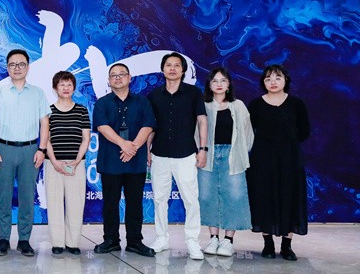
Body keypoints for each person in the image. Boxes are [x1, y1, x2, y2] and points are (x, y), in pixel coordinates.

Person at [246, 64, 310, 261]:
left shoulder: (296, 103)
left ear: (285, 80)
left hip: (289, 157)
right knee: (264, 196)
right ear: (263, 83)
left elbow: (304, 131)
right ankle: (268, 244)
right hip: (262, 158)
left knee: (290, 197)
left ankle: (286, 246)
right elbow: (248, 132)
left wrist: (287, 145)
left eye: (277, 78)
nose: (273, 82)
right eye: (268, 79)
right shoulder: (255, 105)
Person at [0, 49, 49, 257]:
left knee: (27, 196)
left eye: (21, 64)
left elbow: (44, 123)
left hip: (30, 150)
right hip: (4, 149)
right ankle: (3, 239)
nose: (17, 68)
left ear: (28, 67)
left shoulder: (38, 93)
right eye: (12, 64)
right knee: (3, 196)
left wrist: (42, 149)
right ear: (7, 68)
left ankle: (24, 239)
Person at [147, 52, 207, 260]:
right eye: (168, 65)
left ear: (183, 70)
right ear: (162, 69)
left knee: (191, 199)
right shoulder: (154, 95)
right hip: (160, 154)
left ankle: (192, 240)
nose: (172, 69)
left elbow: (202, 121)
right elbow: (150, 126)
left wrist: (203, 149)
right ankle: (161, 238)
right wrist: (147, 150)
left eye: (176, 65)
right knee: (159, 199)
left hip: (186, 154)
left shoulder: (194, 93)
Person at [92, 63, 156, 257]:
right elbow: (102, 127)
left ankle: (135, 242)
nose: (118, 78)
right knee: (110, 203)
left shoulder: (142, 102)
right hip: (110, 161)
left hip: (135, 162)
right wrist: (123, 144)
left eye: (122, 74)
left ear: (130, 78)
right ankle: (111, 240)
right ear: (109, 81)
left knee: (135, 203)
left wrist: (133, 147)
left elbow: (148, 126)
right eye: (113, 75)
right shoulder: (102, 103)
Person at [197, 67, 253, 257]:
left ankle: (228, 240)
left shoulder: (238, 106)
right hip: (208, 155)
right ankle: (213, 238)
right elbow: (196, 132)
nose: (219, 84)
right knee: (208, 195)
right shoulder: (204, 106)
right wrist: (200, 152)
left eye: (223, 81)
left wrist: (240, 153)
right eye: (215, 81)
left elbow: (247, 134)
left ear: (229, 85)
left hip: (232, 156)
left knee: (234, 196)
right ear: (209, 85)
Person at [44, 71, 90, 255]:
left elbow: (86, 138)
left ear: (74, 88)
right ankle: (57, 243)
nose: (65, 88)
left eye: (69, 84)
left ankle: (73, 243)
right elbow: (46, 139)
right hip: (53, 164)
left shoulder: (82, 110)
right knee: (54, 202)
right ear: (55, 88)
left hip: (76, 164)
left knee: (76, 203)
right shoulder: (48, 111)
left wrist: (77, 161)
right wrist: (55, 162)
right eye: (62, 84)